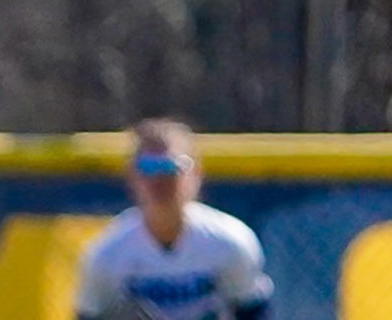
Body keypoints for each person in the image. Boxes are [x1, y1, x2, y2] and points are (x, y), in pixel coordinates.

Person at [75, 118, 273, 320]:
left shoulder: (230, 242)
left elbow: (253, 311)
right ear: (132, 176)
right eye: (148, 167)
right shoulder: (107, 253)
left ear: (196, 173)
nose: (159, 180)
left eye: (171, 166)